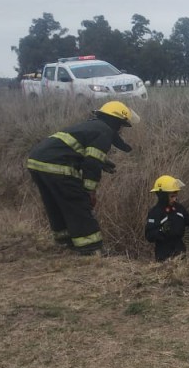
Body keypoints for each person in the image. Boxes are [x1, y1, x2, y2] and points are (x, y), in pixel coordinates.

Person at [26, 100, 137, 255]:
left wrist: (102, 161)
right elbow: (92, 164)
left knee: (56, 205)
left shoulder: (91, 125)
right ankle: (91, 249)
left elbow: (77, 149)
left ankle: (65, 242)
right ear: (116, 121)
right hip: (57, 166)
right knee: (78, 204)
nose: (120, 131)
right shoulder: (104, 131)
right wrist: (89, 192)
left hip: (36, 161)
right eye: (122, 126)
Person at [145, 175, 189, 261]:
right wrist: (162, 231)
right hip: (163, 253)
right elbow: (149, 236)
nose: (175, 199)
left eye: (176, 196)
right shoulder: (155, 213)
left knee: (183, 272)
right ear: (163, 196)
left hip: (180, 249)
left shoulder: (179, 208)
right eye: (172, 196)